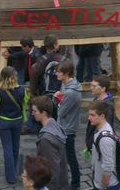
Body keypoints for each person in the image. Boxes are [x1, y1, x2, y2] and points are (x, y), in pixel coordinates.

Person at [0, 66, 29, 184]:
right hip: (17, 120)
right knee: (15, 146)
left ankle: (11, 176)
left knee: (7, 148)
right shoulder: (22, 90)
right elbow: (26, 102)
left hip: (4, 121)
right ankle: (14, 170)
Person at [53, 60, 82, 190]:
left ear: (66, 74)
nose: (56, 74)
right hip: (63, 126)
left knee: (70, 158)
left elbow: (60, 111)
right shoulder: (65, 84)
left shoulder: (71, 92)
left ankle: (75, 184)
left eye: (59, 72)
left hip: (67, 128)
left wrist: (56, 99)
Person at [31, 96, 69, 190]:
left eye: (35, 111)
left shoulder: (46, 139)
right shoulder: (55, 125)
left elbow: (52, 170)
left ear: (43, 113)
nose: (32, 113)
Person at [87, 100, 119, 190]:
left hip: (107, 186)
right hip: (99, 182)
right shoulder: (100, 129)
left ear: (102, 116)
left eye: (92, 115)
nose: (89, 118)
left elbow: (108, 166)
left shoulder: (105, 139)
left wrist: (104, 187)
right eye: (89, 114)